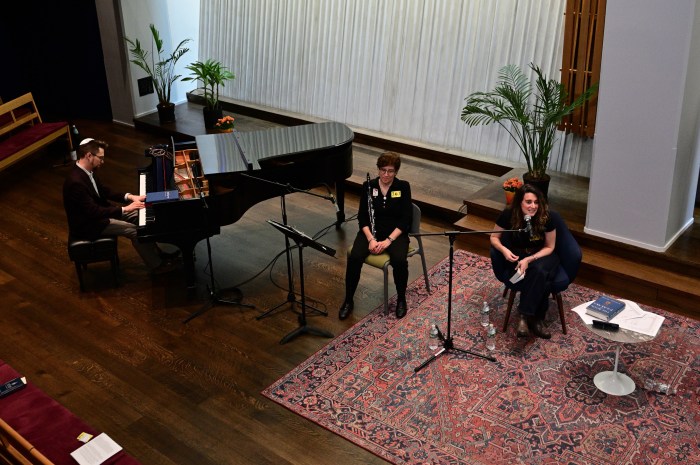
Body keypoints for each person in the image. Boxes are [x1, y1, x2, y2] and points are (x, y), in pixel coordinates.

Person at [63, 138, 178, 274]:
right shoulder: (76, 182)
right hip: (89, 224)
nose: (102, 161)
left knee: (142, 213)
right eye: (100, 158)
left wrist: (130, 197)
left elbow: (104, 191)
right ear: (89, 156)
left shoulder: (87, 170)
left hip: (98, 215)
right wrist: (124, 209)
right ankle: (157, 266)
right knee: (134, 231)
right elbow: (93, 212)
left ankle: (158, 253)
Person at [340, 151, 413, 320]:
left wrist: (388, 241)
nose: (386, 174)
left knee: (399, 261)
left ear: (396, 172)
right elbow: (362, 217)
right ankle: (348, 300)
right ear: (378, 169)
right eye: (383, 170)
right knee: (355, 256)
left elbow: (405, 219)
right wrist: (371, 239)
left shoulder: (403, 187)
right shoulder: (368, 186)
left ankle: (401, 299)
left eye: (390, 171)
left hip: (395, 234)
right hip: (371, 232)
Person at [490, 184, 559, 339]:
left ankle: (524, 315)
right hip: (519, 256)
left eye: (536, 202)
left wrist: (529, 259)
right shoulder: (508, 214)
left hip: (543, 256)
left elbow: (550, 247)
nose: (533, 206)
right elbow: (494, 237)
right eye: (528, 202)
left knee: (539, 270)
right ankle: (537, 319)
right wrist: (504, 250)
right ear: (519, 202)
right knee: (541, 278)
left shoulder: (547, 217)